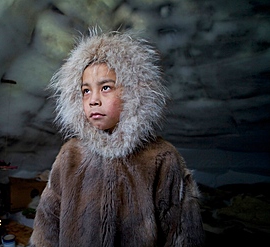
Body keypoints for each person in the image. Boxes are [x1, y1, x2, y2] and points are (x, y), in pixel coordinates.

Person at [28, 27, 205, 247]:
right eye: (85, 90)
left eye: (105, 87)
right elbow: (47, 224)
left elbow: (181, 233)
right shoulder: (70, 155)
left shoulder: (162, 158)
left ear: (133, 91)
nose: (93, 100)